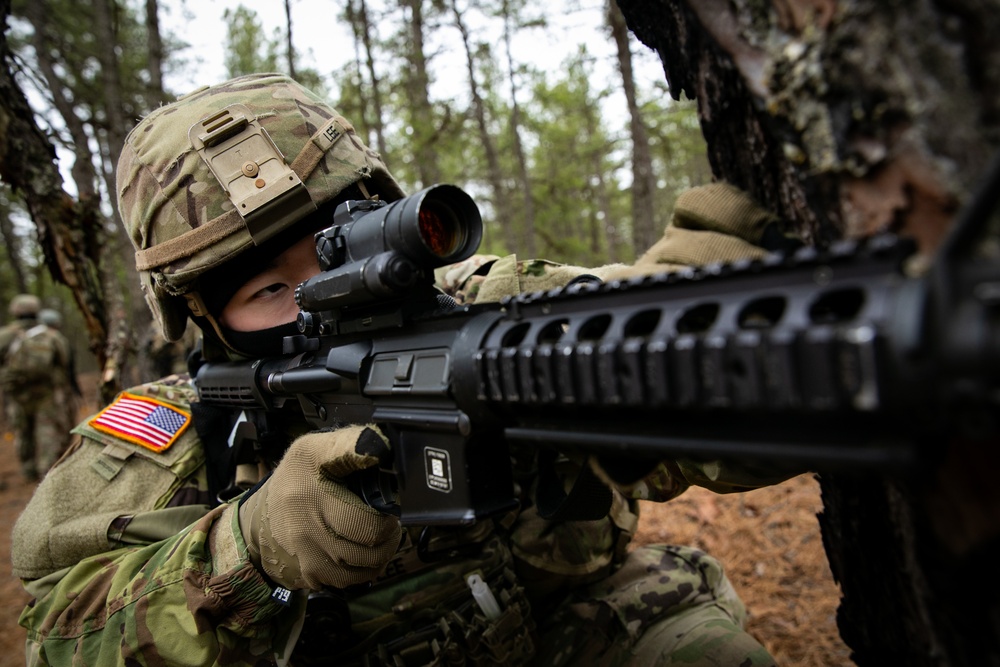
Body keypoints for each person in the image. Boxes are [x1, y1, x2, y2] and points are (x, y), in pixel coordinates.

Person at [12, 74, 796, 665]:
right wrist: (245, 552)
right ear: (204, 316)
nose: (318, 302)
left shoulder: (485, 308)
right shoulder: (175, 433)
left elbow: (747, 430)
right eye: (271, 290)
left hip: (567, 630)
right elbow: (54, 629)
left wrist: (700, 332)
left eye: (339, 252)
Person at [0, 299, 77, 481]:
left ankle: (28, 469)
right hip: (46, 392)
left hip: (17, 395)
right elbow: (64, 360)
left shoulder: (5, 335)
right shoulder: (51, 335)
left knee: (22, 431)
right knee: (47, 429)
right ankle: (47, 469)